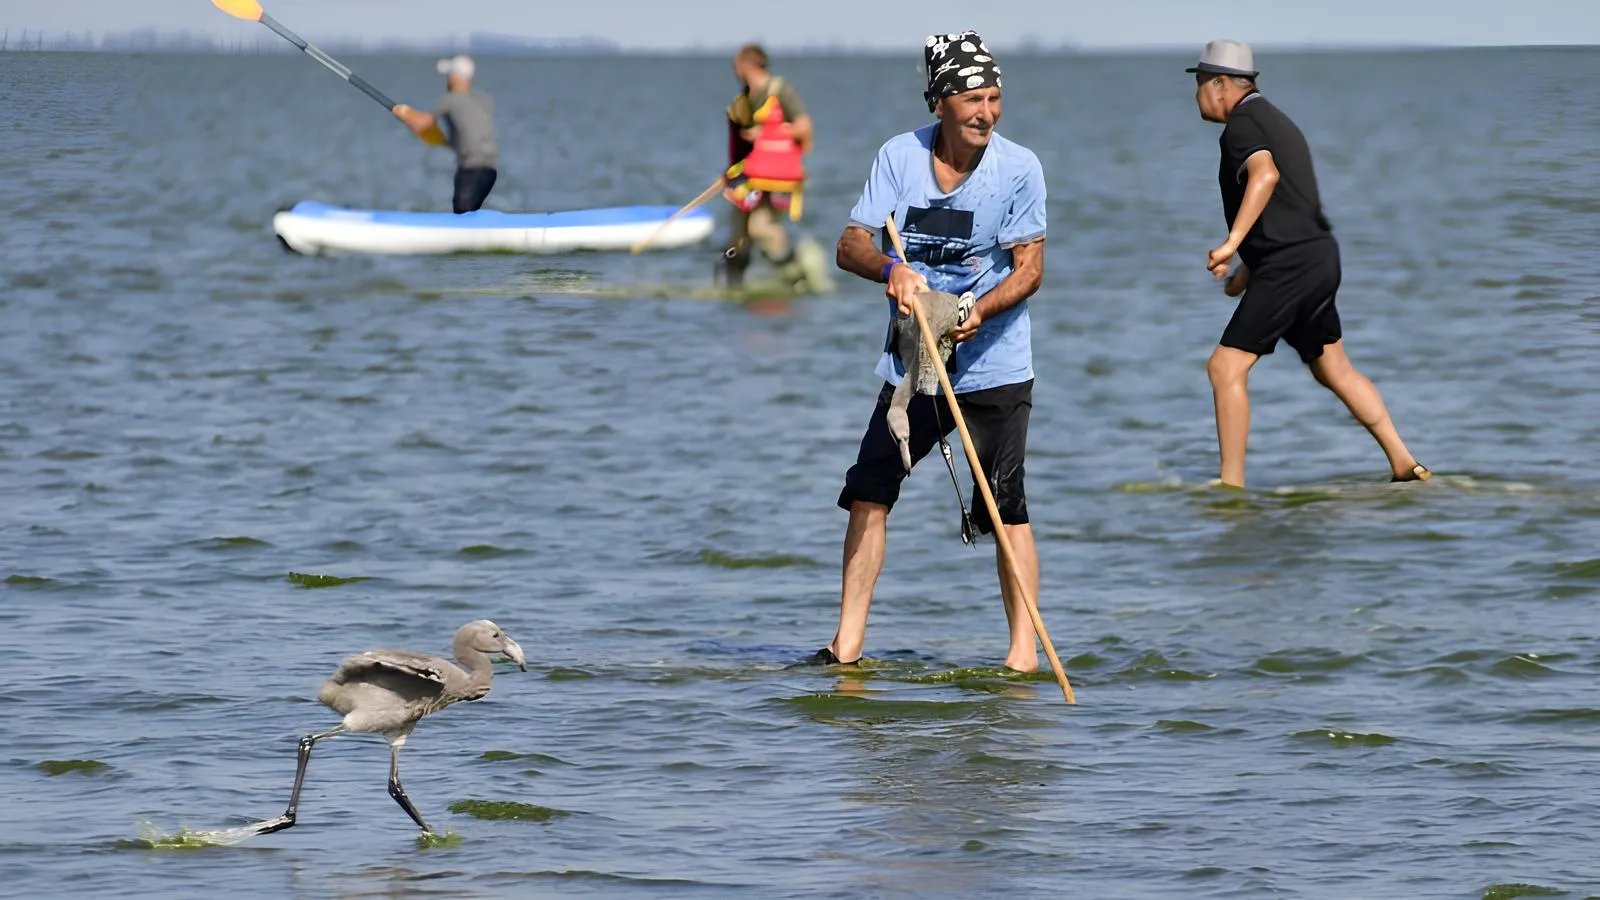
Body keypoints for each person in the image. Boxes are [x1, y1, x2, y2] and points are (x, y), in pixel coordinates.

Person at [816, 31, 1047, 671]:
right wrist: (890, 268)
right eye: (973, 98)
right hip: (913, 364)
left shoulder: (1019, 168)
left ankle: (1022, 656)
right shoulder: (899, 158)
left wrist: (978, 308)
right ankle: (847, 649)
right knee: (869, 490)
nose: (986, 113)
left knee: (1004, 506)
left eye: (995, 98)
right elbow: (848, 243)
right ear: (939, 102)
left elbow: (1029, 270)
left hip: (994, 362)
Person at [1189, 40, 1430, 487]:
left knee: (1225, 368)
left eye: (1200, 83)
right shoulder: (1277, 120)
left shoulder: (1241, 125)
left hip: (1292, 265)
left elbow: (1266, 176)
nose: (1197, 94)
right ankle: (1405, 463)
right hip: (1318, 257)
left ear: (1221, 84)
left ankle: (1230, 489)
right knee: (1332, 367)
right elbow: (1289, 209)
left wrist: (1231, 243)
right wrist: (1247, 270)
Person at [722, 44, 824, 291]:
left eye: (736, 65)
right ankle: (730, 289)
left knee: (760, 228)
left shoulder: (780, 90)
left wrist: (768, 132)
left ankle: (798, 271)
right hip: (749, 179)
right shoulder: (747, 97)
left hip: (776, 180)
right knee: (737, 240)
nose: (734, 70)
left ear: (747, 65)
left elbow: (804, 126)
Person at [394, 54, 500, 214]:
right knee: (469, 212)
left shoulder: (449, 100)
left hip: (472, 170)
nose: (448, 80)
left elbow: (423, 123)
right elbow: (467, 134)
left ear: (457, 77)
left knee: (462, 212)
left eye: (450, 75)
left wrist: (404, 114)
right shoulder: (483, 100)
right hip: (490, 171)